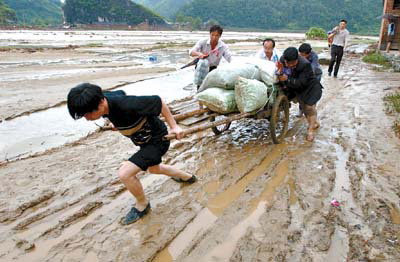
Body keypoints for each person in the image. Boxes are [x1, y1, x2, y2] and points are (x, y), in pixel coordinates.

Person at [67, 83, 197, 225]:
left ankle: (142, 204)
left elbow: (158, 101)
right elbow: (120, 92)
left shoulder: (126, 105)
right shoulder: (106, 99)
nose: (87, 118)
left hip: (156, 140)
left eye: (88, 114)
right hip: (142, 140)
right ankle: (188, 177)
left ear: (101, 102)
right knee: (154, 168)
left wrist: (174, 126)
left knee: (125, 173)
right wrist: (113, 120)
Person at [276, 47, 323, 142]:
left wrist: (287, 79)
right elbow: (280, 70)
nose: (290, 65)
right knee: (304, 108)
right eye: (288, 63)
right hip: (297, 87)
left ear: (297, 58)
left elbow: (302, 82)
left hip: (310, 86)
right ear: (285, 60)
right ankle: (314, 123)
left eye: (293, 63)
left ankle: (310, 130)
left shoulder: (305, 64)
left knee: (310, 107)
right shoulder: (282, 60)